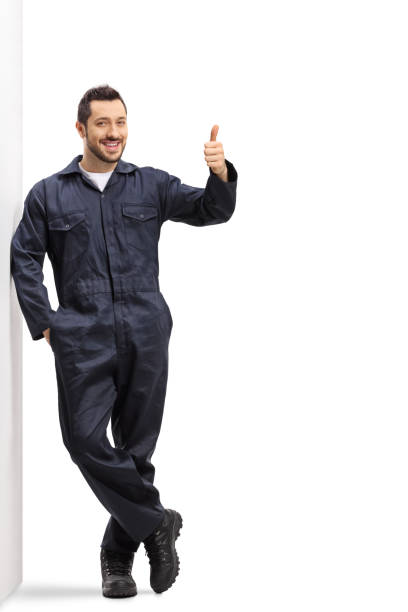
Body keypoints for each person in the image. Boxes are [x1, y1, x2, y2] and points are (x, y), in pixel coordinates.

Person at [10, 84, 238, 598]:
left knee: (136, 448)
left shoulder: (150, 185)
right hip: (81, 334)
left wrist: (220, 173)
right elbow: (24, 256)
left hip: (145, 327)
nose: (113, 134)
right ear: (81, 129)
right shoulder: (49, 194)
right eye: (102, 125)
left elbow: (210, 210)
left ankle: (117, 560)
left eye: (120, 123)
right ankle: (157, 520)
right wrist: (44, 321)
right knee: (83, 439)